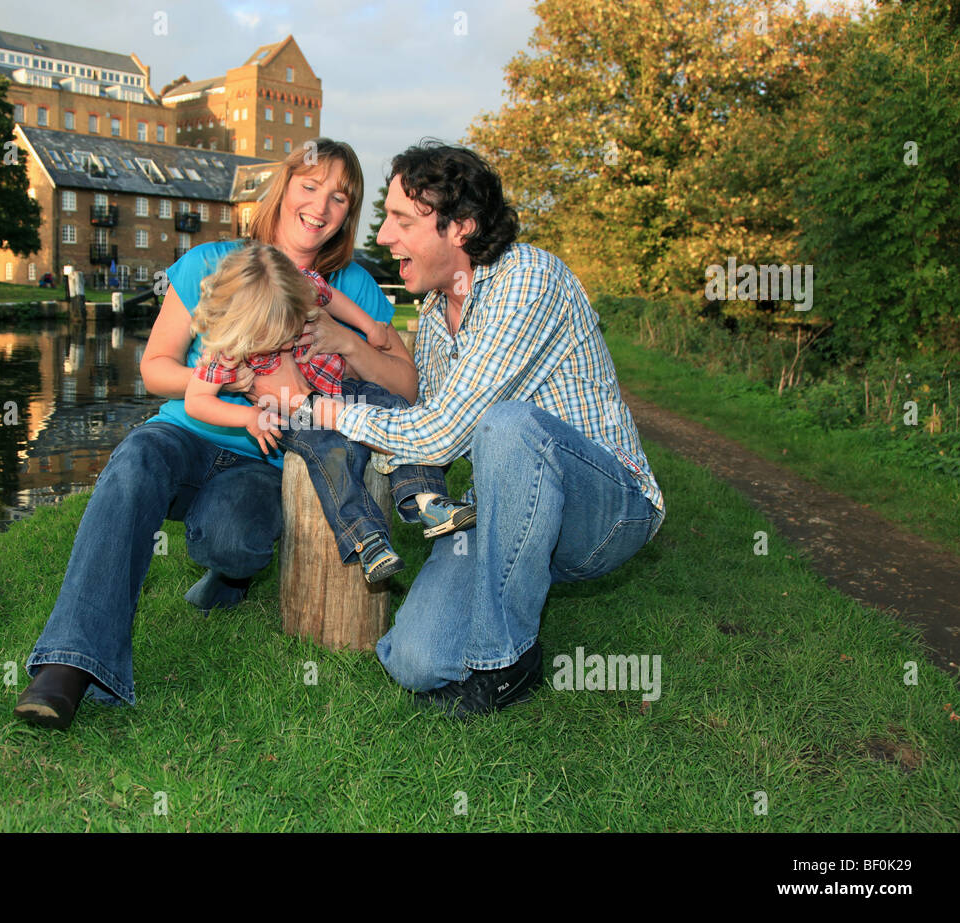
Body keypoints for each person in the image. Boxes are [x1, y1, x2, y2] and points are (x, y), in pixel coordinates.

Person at [13, 138, 417, 729]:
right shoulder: (212, 262)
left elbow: (406, 387)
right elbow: (155, 369)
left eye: (340, 197)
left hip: (266, 455)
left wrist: (347, 341)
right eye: (310, 186)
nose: (322, 206)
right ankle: (70, 664)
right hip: (187, 431)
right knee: (135, 465)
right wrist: (241, 387)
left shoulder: (349, 285)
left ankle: (229, 574)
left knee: (237, 539)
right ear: (283, 190)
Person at [262, 141, 667, 718]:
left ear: (461, 228)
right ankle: (507, 606)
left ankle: (506, 663)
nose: (383, 237)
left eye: (402, 220)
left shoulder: (529, 278)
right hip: (508, 512)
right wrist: (347, 362)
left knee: (506, 426)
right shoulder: (431, 315)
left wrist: (318, 411)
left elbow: (442, 432)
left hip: (607, 511)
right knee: (415, 662)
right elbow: (411, 421)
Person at [184, 241, 477, 583]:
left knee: (394, 409)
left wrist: (369, 327)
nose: (287, 344)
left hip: (340, 389)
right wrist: (248, 417)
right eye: (275, 339)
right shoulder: (228, 348)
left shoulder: (298, 286)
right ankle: (365, 538)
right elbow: (196, 401)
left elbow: (333, 299)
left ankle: (425, 498)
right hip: (295, 412)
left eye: (292, 329)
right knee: (333, 450)